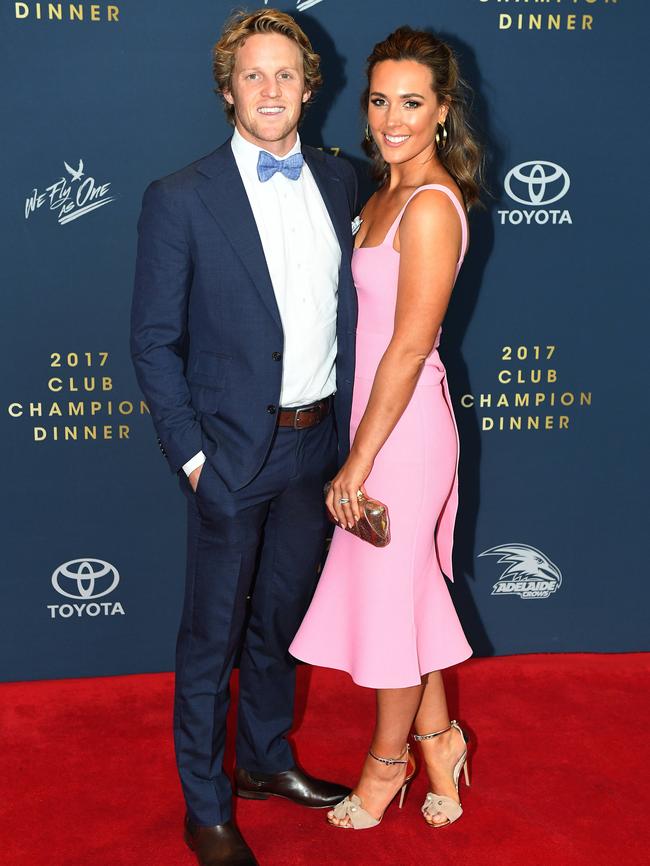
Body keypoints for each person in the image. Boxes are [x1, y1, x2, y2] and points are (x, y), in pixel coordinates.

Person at [130, 9, 358, 865]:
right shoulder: (180, 197)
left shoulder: (342, 182)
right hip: (227, 456)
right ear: (228, 89)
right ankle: (208, 804)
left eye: (286, 75)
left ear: (310, 85)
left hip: (314, 448)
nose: (271, 91)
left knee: (280, 625)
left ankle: (264, 763)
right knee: (213, 637)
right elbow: (153, 342)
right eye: (253, 76)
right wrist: (193, 459)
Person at [290, 26, 483, 830]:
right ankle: (441, 740)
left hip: (400, 439)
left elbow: (408, 346)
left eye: (412, 102)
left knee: (391, 598)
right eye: (379, 100)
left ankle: (385, 765)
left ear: (442, 112)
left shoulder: (433, 204)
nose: (392, 117)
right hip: (370, 425)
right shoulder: (379, 194)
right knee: (403, 597)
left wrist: (357, 462)